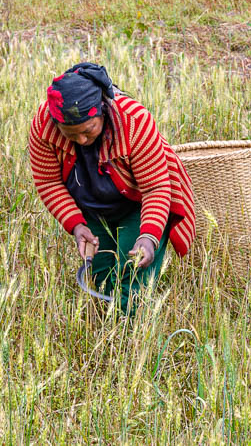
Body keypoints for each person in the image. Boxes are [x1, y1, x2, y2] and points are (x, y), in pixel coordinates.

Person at [28, 62, 196, 313]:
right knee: (103, 277)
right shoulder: (44, 125)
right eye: (71, 135)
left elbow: (156, 188)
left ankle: (132, 330)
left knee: (132, 273)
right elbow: (48, 182)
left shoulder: (134, 121)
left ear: (102, 111)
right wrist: (77, 225)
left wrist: (149, 236)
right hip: (92, 206)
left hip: (138, 202)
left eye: (88, 130)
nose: (81, 140)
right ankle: (110, 327)